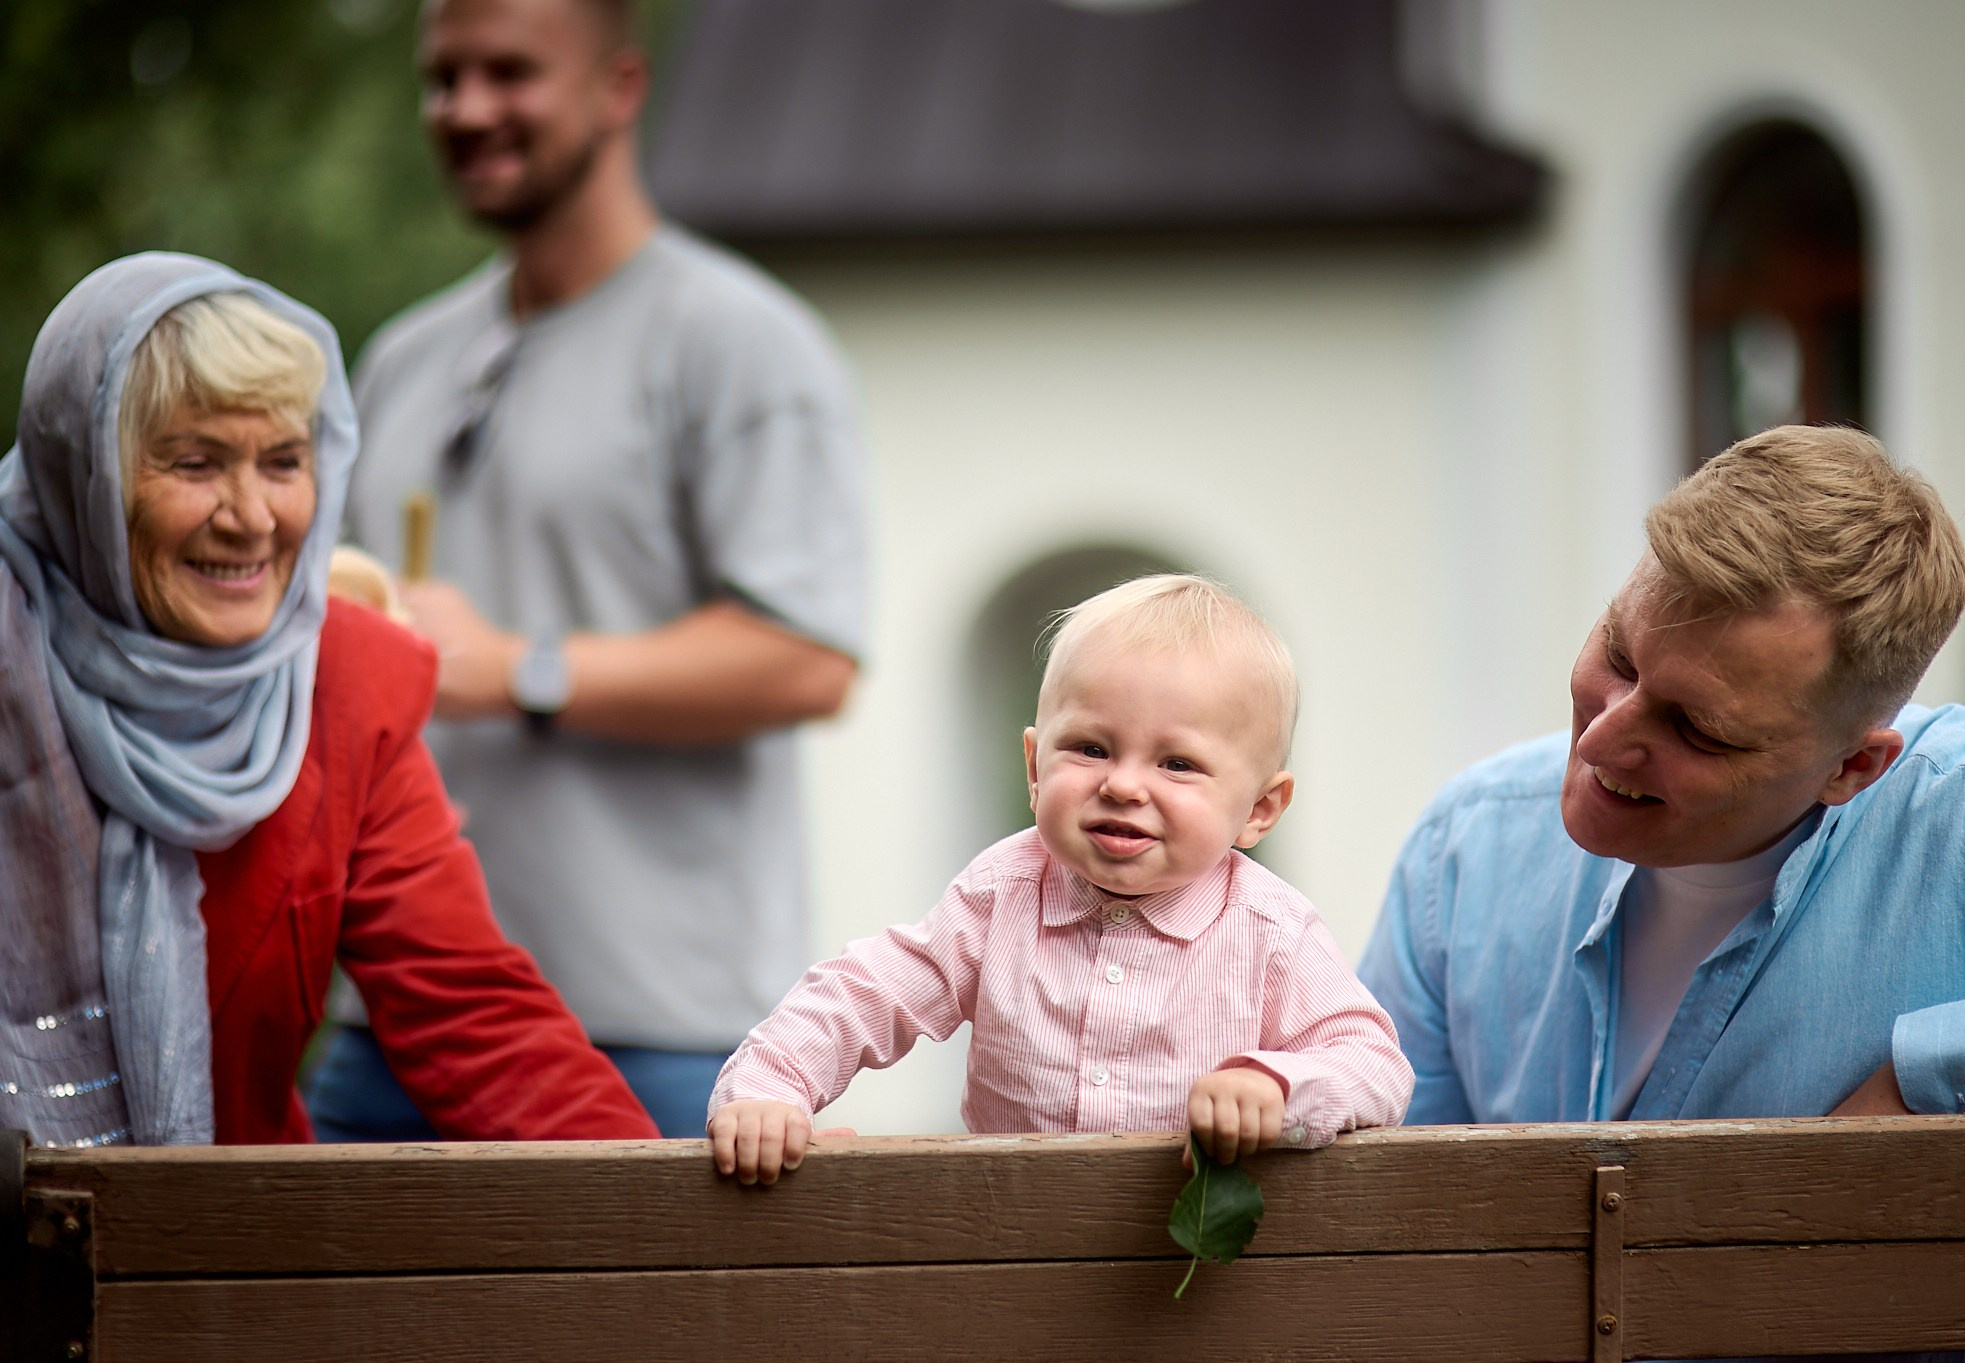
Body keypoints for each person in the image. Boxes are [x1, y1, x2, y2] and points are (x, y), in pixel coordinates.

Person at [307, 0, 868, 1139]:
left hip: (656, 1032)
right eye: (442, 77)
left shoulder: (741, 342)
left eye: (509, 72)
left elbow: (808, 657)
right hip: (387, 1022)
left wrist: (520, 668)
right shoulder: (403, 358)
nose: (465, 109)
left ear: (619, 87)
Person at [0, 251, 658, 1146]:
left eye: (283, 461)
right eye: (195, 463)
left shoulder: (346, 683)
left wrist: (682, 1204)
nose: (253, 517)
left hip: (220, 1257)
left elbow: (477, 1021)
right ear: (82, 474)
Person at [1358, 425, 1965, 1131]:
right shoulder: (1465, 850)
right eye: (1619, 656)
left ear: (1852, 767)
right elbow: (1375, 1205)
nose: (1600, 738)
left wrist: (1939, 1075)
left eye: (1696, 728)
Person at [710, 575, 1415, 1184]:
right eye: (1090, 747)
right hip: (1013, 1247)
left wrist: (1276, 1085)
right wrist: (772, 1086)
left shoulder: (1270, 930)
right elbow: (869, 990)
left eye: (1176, 763)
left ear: (1259, 808)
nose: (1124, 784)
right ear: (1035, 766)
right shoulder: (1003, 892)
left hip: (1196, 1276)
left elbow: (1373, 1063)